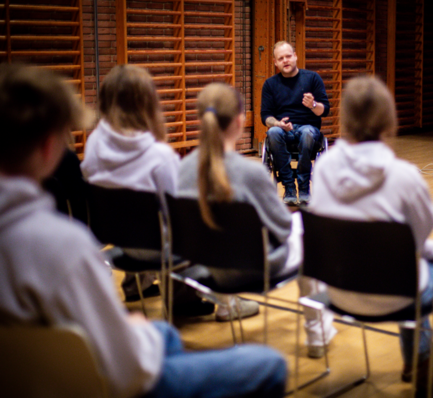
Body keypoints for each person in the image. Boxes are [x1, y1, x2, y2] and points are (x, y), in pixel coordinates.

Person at [0, 63, 287, 398]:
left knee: (165, 333)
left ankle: (164, 299)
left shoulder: (93, 147)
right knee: (268, 363)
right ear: (49, 146)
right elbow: (126, 370)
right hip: (116, 360)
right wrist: (134, 334)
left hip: (119, 245)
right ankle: (212, 303)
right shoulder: (63, 245)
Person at [308, 76, 433, 391]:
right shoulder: (404, 176)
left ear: (345, 118)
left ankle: (416, 360)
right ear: (388, 120)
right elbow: (420, 237)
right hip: (395, 294)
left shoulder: (323, 168)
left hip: (338, 291)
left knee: (403, 265)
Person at [80, 65, 213, 317]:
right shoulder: (159, 155)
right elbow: (177, 212)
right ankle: (183, 302)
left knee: (130, 211)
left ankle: (135, 285)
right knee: (191, 221)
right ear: (147, 102)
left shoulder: (94, 142)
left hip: (116, 238)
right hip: (157, 246)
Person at [178, 82, 305, 323]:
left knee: (218, 235)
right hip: (255, 268)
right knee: (308, 231)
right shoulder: (251, 173)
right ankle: (317, 333)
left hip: (207, 266)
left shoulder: (182, 169)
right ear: (240, 121)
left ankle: (228, 304)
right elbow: (283, 228)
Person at [261, 41, 330, 205]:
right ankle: (289, 188)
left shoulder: (312, 78)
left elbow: (325, 111)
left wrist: (313, 105)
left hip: (308, 129)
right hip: (282, 130)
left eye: (288, 56)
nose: (285, 60)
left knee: (307, 133)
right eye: (281, 58)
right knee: (272, 132)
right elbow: (266, 116)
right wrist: (277, 123)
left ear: (295, 56)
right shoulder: (270, 84)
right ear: (275, 62)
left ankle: (304, 188)